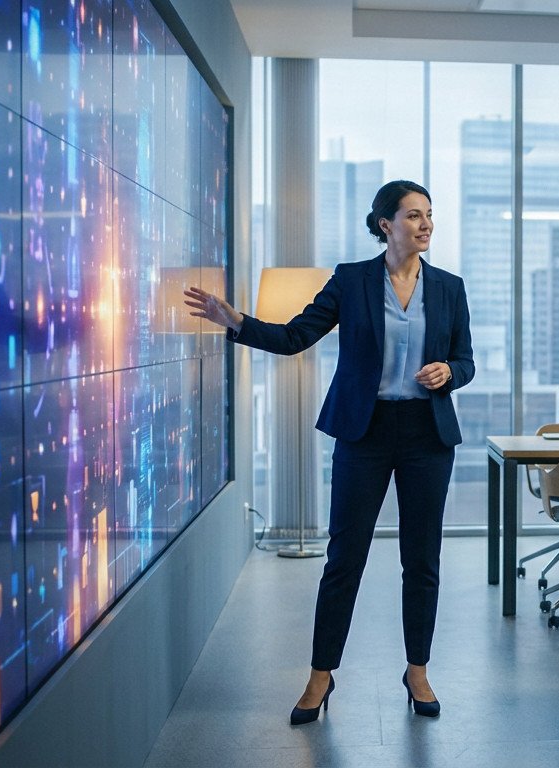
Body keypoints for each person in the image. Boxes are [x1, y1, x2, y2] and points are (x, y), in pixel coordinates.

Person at [183, 180, 474, 721]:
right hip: (364, 433)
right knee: (344, 559)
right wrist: (236, 322)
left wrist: (450, 372)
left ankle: (417, 672)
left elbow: (466, 360)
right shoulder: (352, 280)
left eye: (430, 214)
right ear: (386, 224)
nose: (426, 224)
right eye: (414, 215)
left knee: (422, 560)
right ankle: (321, 675)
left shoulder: (449, 288)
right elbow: (295, 336)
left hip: (426, 436)